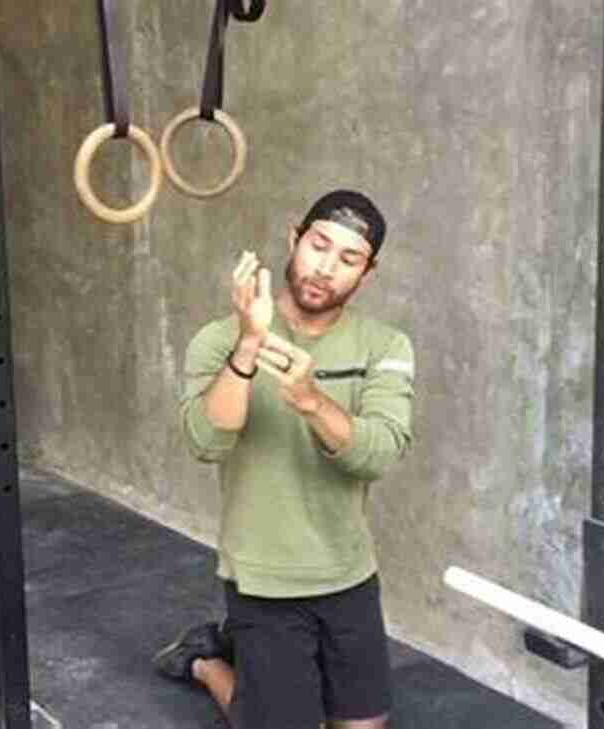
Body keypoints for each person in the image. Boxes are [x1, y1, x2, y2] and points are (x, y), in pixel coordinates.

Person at [154, 190, 417, 729]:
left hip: (348, 571)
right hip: (263, 577)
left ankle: (232, 664)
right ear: (294, 239)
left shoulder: (385, 345)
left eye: (349, 259)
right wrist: (250, 345)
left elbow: (378, 454)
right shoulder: (218, 339)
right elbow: (206, 442)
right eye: (319, 245)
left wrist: (311, 402)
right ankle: (206, 663)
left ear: (367, 274)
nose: (326, 267)